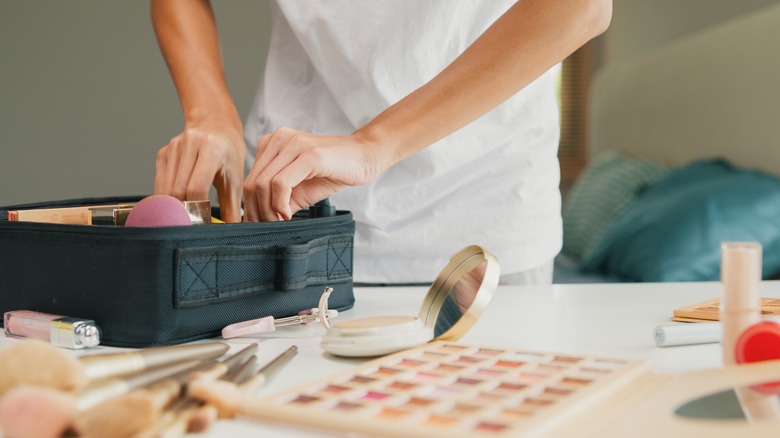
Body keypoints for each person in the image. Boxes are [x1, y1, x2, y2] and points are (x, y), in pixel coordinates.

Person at [151, 0, 612, 284]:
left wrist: (373, 144)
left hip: (483, 218)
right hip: (290, 216)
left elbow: (580, 6)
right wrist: (211, 112)